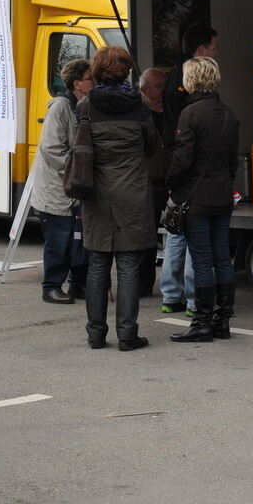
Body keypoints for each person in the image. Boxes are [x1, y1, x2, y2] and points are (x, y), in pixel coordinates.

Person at [81, 47, 159, 351]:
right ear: (126, 72)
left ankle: (95, 335)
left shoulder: (86, 107)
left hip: (96, 193)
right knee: (128, 264)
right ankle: (128, 334)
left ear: (97, 71)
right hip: (132, 193)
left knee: (98, 264)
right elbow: (152, 146)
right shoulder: (139, 108)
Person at [167, 57, 240, 342]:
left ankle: (202, 322)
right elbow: (232, 162)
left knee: (201, 260)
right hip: (222, 195)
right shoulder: (228, 114)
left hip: (195, 197)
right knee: (222, 258)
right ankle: (223, 320)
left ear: (192, 80)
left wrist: (171, 182)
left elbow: (182, 159)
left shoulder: (191, 114)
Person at [158, 24, 218, 314]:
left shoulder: (171, 75)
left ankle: (171, 294)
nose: (216, 53)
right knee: (194, 230)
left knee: (175, 227)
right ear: (201, 50)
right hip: (189, 164)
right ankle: (195, 298)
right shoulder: (191, 88)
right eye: (214, 47)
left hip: (177, 160)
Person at [31, 58, 94, 304]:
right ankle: (51, 286)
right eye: (90, 78)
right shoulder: (60, 107)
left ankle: (78, 284)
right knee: (60, 241)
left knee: (79, 240)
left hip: (75, 187)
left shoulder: (84, 106)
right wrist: (79, 167)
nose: (94, 82)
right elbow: (51, 148)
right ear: (77, 83)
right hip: (57, 188)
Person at [138, 67, 166, 297]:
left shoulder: (167, 111)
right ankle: (142, 282)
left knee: (154, 233)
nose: (162, 91)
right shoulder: (141, 114)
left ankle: (145, 280)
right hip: (146, 181)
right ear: (145, 90)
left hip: (163, 179)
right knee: (145, 235)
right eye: (158, 87)